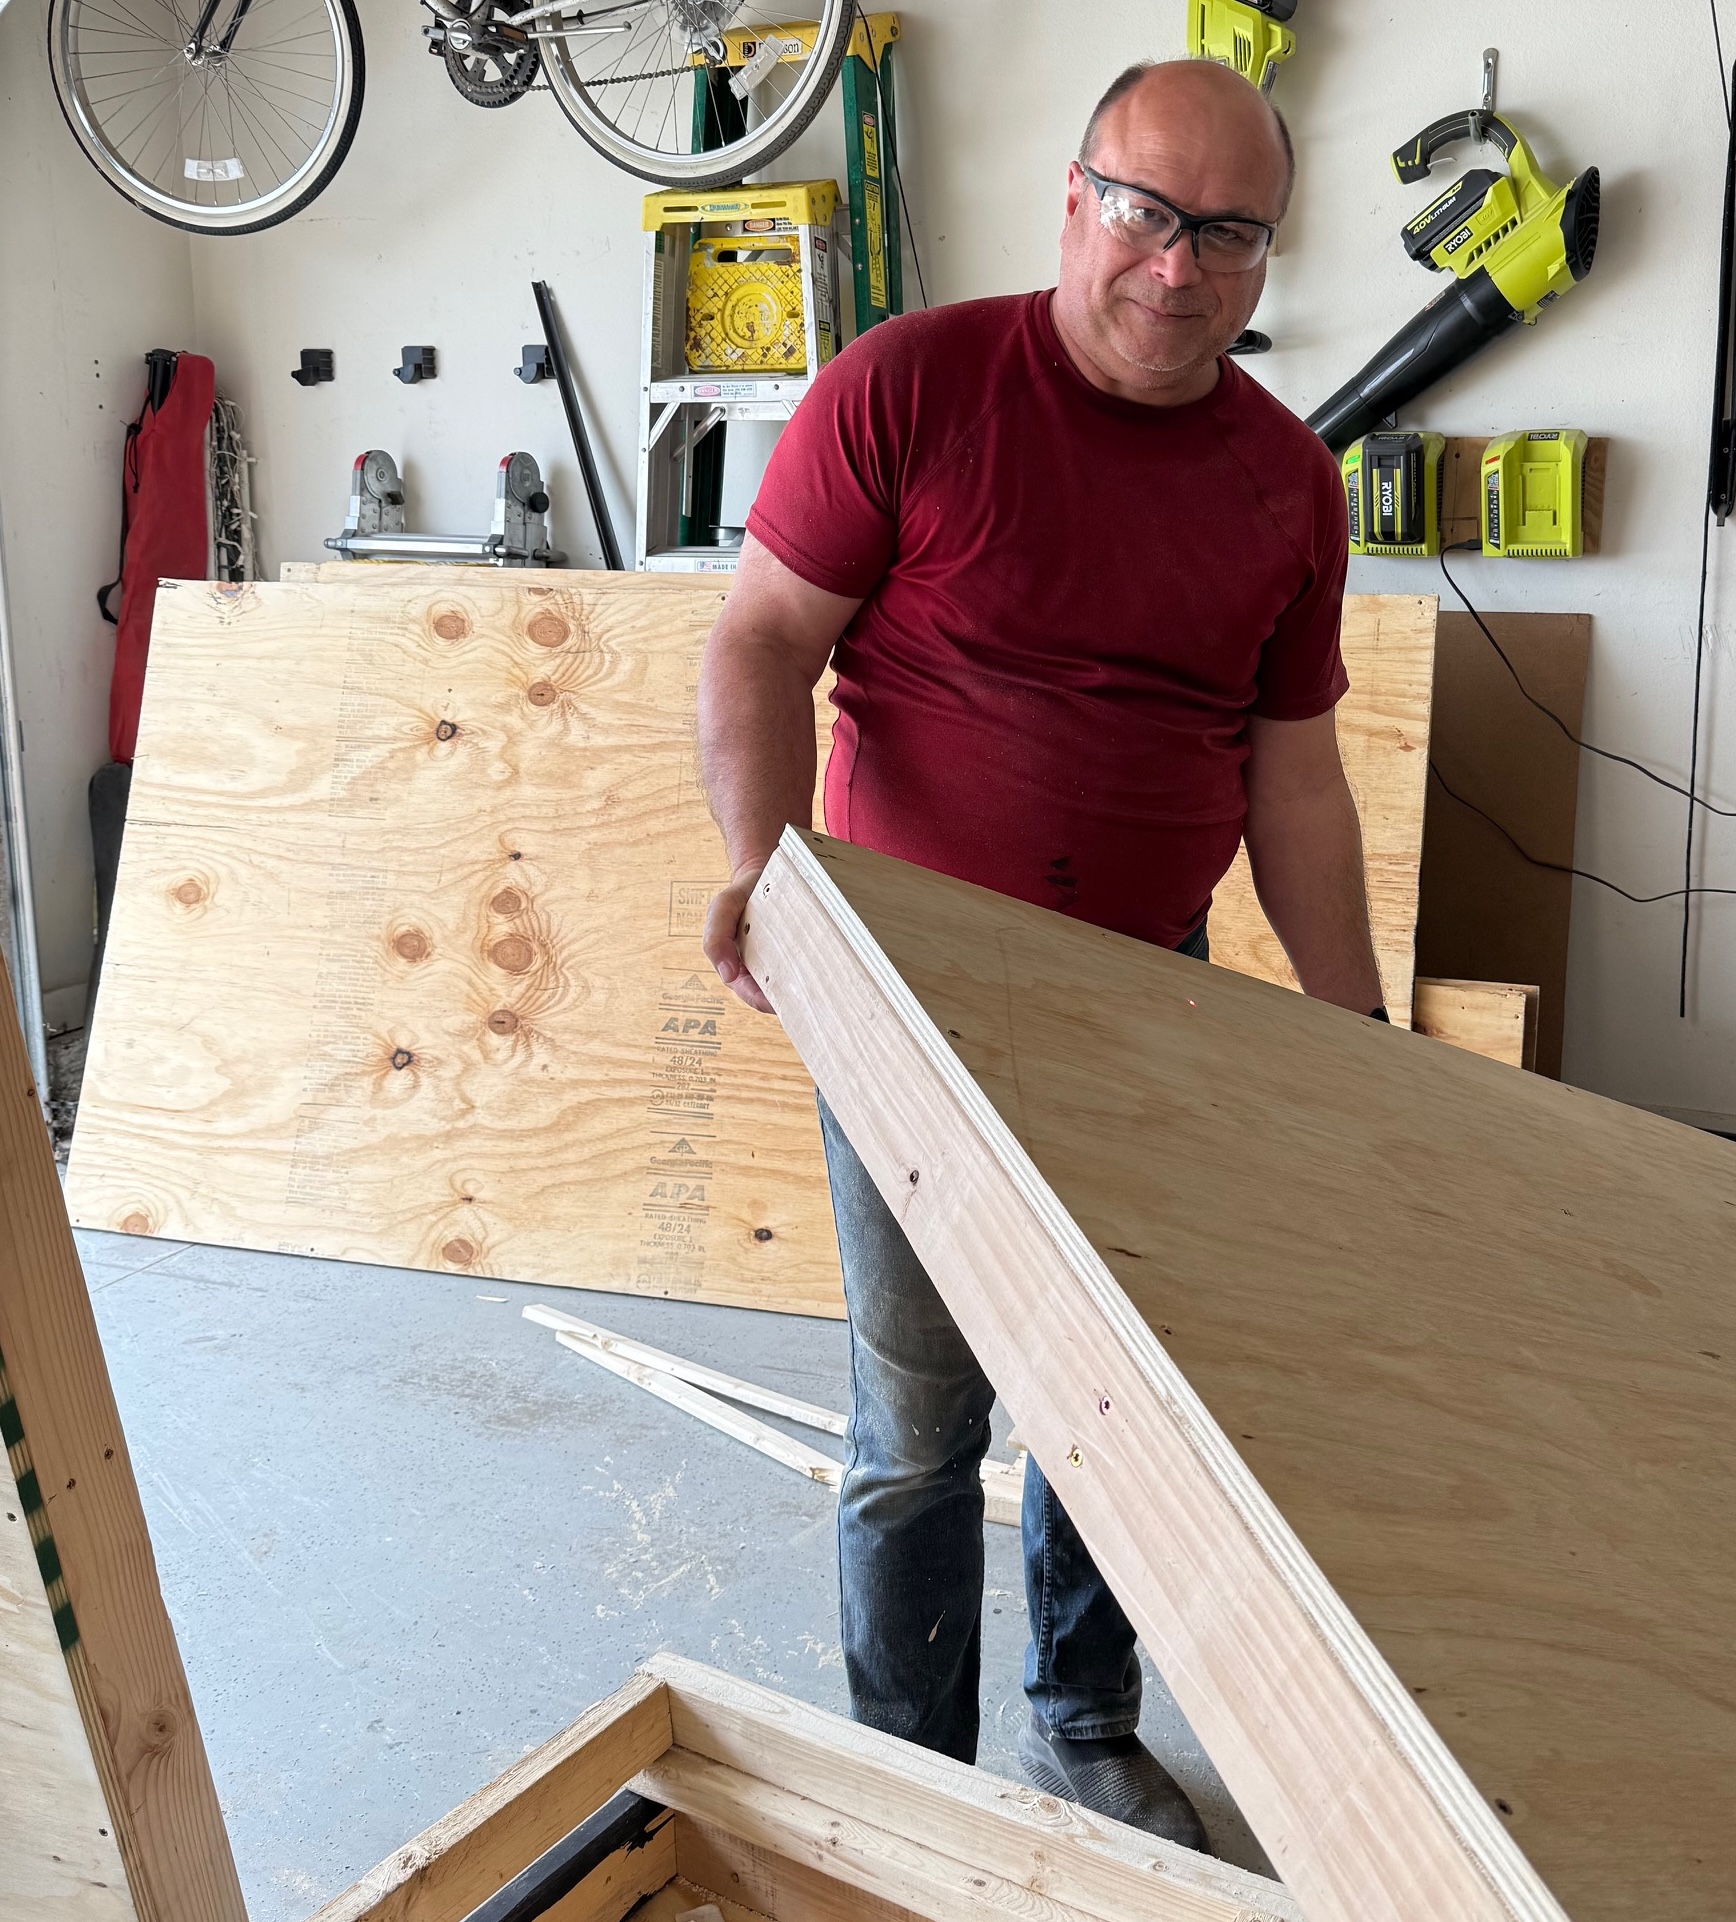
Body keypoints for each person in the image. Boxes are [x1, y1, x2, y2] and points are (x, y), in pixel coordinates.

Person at [697, 56, 1384, 1850]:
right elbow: (763, 642)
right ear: (1074, 198)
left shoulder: (1287, 486)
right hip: (908, 997)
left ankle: (1081, 1719)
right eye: (1147, 212)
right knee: (921, 1422)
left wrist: (1352, 1031)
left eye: (1229, 235)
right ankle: (910, 1773)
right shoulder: (912, 387)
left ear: (1265, 258)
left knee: (1114, 1404)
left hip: (1145, 998)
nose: (1179, 266)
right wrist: (774, 881)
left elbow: (1292, 768)